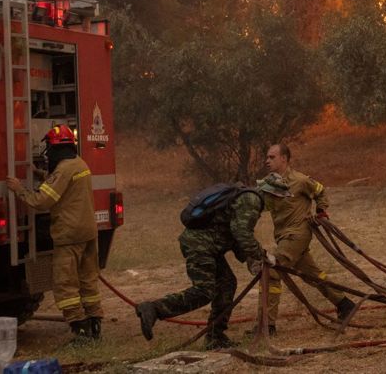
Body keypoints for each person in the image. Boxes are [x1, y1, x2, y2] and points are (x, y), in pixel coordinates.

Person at [135, 184, 271, 349]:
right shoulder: (252, 200)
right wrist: (261, 255)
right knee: (204, 291)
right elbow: (242, 233)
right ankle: (154, 309)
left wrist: (250, 260)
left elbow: (232, 232)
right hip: (200, 245)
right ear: (273, 195)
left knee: (227, 284)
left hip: (209, 245)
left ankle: (215, 336)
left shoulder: (245, 198)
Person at [6, 126, 102, 340]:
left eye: (49, 148)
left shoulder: (63, 169)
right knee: (88, 281)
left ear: (56, 149)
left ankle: (81, 331)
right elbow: (61, 181)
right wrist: (40, 173)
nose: (48, 153)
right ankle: (95, 326)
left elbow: (41, 201)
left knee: (65, 285)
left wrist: (18, 188)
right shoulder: (79, 163)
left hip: (69, 235)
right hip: (88, 232)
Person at [257, 143, 355, 334]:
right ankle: (345, 304)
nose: (267, 161)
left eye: (272, 157)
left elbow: (320, 191)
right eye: (267, 157)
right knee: (312, 274)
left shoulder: (300, 180)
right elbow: (260, 205)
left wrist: (320, 211)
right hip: (283, 236)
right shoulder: (269, 184)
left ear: (284, 158)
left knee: (271, 271)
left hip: (297, 235)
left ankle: (266, 326)